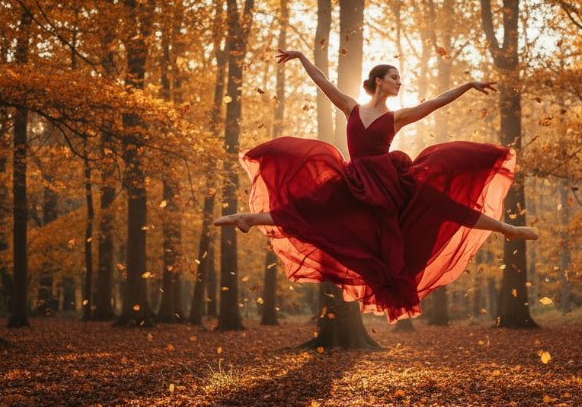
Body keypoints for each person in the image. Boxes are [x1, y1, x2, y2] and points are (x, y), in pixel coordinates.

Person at [214, 49, 537, 322]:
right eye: (394, 77)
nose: (399, 82)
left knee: (441, 205)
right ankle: (249, 218)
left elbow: (436, 102)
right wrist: (301, 57)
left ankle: (505, 228)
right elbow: (323, 83)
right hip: (354, 181)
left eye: (400, 78)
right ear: (378, 80)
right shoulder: (351, 107)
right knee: (310, 209)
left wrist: (467, 85)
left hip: (386, 184)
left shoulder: (396, 117)